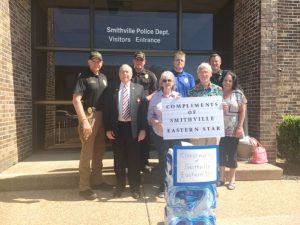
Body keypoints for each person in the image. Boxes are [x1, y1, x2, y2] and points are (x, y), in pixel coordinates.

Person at [72, 51, 113, 200]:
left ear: (102, 63)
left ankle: (97, 181)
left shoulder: (103, 77)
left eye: (99, 61)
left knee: (99, 151)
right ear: (89, 62)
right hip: (89, 116)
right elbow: (76, 100)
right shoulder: (83, 77)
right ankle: (84, 187)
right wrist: (84, 121)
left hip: (103, 117)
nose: (96, 64)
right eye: (93, 61)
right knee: (87, 152)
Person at [103, 64, 146, 199]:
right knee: (119, 159)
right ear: (119, 74)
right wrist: (107, 129)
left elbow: (143, 112)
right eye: (122, 72)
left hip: (133, 130)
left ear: (131, 74)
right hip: (117, 128)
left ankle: (135, 188)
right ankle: (120, 187)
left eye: (127, 72)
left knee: (134, 160)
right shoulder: (111, 89)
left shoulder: (139, 89)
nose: (125, 74)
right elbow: (107, 110)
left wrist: (143, 129)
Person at [148, 71, 181, 198]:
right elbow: (149, 116)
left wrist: (181, 104)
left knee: (175, 159)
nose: (167, 82)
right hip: (160, 134)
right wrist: (156, 122)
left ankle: (175, 186)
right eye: (164, 80)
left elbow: (186, 115)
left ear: (173, 83)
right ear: (160, 82)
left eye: (169, 80)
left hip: (175, 135)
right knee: (162, 160)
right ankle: (163, 185)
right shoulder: (155, 97)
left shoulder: (178, 97)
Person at [218, 71, 247, 190]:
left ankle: (232, 180)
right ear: (222, 81)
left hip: (233, 129)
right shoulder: (216, 92)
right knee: (221, 154)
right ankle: (221, 178)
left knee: (232, 154)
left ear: (233, 82)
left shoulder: (238, 94)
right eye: (225, 80)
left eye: (230, 81)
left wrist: (240, 127)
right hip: (218, 130)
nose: (227, 82)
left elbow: (242, 112)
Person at [132, 51, 158, 173]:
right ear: (133, 61)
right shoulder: (129, 74)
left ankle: (144, 163)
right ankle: (132, 163)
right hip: (131, 111)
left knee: (145, 138)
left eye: (141, 60)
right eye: (137, 60)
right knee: (132, 137)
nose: (139, 62)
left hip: (146, 111)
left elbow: (156, 91)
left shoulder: (150, 75)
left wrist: (148, 97)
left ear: (144, 61)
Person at [188, 62, 223, 145]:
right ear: (198, 75)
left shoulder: (218, 89)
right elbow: (189, 111)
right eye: (201, 72)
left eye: (206, 72)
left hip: (214, 127)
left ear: (211, 74)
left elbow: (220, 107)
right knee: (198, 153)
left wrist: (223, 106)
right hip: (197, 127)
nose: (204, 74)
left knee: (212, 152)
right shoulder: (191, 91)